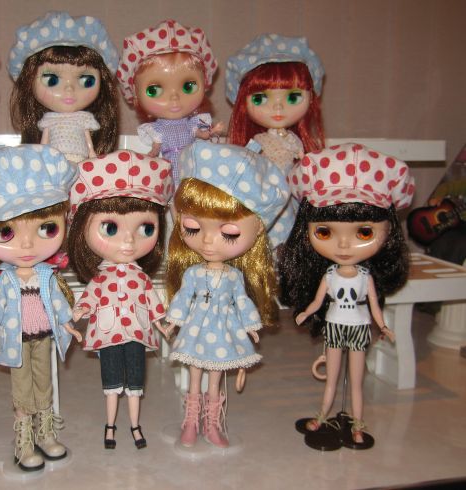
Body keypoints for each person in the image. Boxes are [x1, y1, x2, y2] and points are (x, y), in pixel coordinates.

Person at [0, 145, 80, 472]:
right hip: (16, 339)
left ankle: (45, 431)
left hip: (44, 335)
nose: (26, 244)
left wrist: (67, 323)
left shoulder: (47, 274)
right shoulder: (6, 279)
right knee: (22, 387)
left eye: (46, 228)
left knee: (45, 381)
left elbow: (57, 302)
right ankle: (24, 439)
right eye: (6, 232)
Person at [279, 143, 415, 445]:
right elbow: (318, 300)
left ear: (389, 231)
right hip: (334, 326)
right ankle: (322, 416)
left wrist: (383, 325)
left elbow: (374, 304)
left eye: (364, 232)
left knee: (355, 381)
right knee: (331, 378)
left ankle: (357, 424)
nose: (343, 246)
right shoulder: (329, 275)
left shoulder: (365, 277)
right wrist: (306, 312)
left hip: (358, 328)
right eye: (325, 232)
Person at [165, 141, 288, 448]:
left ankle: (212, 422)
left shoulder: (234, 277)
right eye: (192, 227)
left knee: (215, 377)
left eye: (229, 233)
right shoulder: (193, 273)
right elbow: (183, 298)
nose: (208, 242)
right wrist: (172, 321)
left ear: (258, 230)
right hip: (195, 330)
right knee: (194, 374)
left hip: (221, 331)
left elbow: (242, 301)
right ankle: (190, 420)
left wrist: (251, 326)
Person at [67, 150, 173, 450]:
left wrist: (162, 325)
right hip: (108, 334)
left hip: (137, 333)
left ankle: (136, 426)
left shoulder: (140, 277)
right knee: (112, 385)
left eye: (146, 229)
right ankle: (110, 426)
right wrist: (77, 312)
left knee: (136, 384)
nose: (128, 241)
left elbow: (152, 303)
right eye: (110, 228)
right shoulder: (101, 278)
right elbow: (88, 300)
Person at [226, 33, 325, 248]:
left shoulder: (294, 141)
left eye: (292, 97)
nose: (278, 107)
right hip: (262, 194)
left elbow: (306, 166)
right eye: (260, 98)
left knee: (290, 228)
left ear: (311, 98)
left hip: (290, 195)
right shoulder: (258, 141)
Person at [117, 20, 224, 189]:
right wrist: (150, 155)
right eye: (154, 90)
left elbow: (202, 135)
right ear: (136, 96)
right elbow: (155, 148)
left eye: (188, 86)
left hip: (192, 164)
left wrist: (213, 131)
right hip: (169, 164)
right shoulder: (157, 129)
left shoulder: (191, 124)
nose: (174, 98)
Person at [9, 11, 119, 164]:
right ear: (29, 82)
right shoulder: (49, 121)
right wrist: (40, 159)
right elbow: (43, 145)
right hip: (53, 164)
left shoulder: (83, 120)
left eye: (86, 81)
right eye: (52, 80)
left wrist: (93, 159)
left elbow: (89, 143)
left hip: (81, 161)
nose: (69, 89)